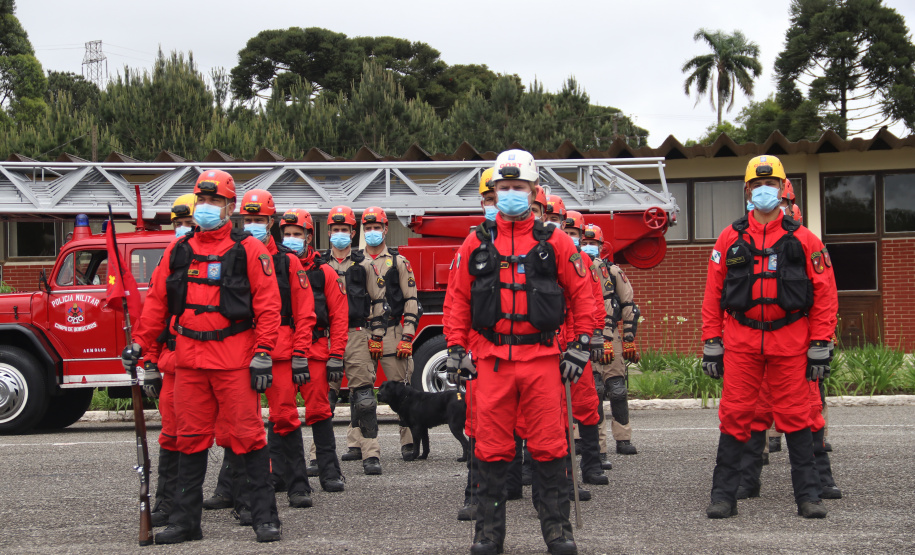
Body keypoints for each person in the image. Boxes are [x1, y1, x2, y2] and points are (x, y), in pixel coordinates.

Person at [444, 149, 594, 555]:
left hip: (544, 359)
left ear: (533, 191)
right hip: (491, 360)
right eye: (503, 188)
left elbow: (583, 296)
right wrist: (456, 347)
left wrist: (581, 344)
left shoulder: (557, 241)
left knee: (550, 445)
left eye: (518, 187)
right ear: (494, 192)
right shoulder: (476, 241)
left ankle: (558, 531)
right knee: (490, 448)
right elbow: (457, 299)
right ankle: (488, 534)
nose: (510, 194)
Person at [123, 169, 283, 543]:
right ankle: (185, 522)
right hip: (189, 362)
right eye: (202, 200)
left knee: (248, 437)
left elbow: (269, 307)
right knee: (188, 440)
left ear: (230, 206)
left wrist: (262, 352)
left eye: (215, 201)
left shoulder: (250, 249)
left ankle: (264, 517)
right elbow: (156, 306)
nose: (207, 207)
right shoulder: (178, 250)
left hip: (234, 360)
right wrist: (141, 349)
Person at [701, 154, 838, 520]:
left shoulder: (805, 240)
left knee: (797, 418)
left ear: (782, 189)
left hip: (791, 343)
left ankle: (808, 496)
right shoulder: (730, 237)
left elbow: (825, 293)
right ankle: (723, 496)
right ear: (747, 190)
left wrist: (821, 343)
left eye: (771, 184)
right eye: (757, 185)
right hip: (742, 342)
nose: (764, 191)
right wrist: (712, 342)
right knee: (734, 416)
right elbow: (714, 293)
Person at [239, 189, 316, 511]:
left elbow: (305, 311)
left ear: (270, 221)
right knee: (243, 421)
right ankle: (242, 489)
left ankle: (298, 484)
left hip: (281, 352)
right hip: (242, 349)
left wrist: (300, 352)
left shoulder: (288, 261)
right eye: (249, 220)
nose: (254, 225)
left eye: (259, 220)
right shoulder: (234, 256)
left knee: (284, 416)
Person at [280, 208, 347, 492]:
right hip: (282, 352)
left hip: (315, 351)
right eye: (287, 234)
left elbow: (340, 317)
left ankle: (329, 472)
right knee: (282, 414)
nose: (292, 239)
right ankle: (282, 474)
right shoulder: (272, 268)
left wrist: (336, 356)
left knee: (319, 411)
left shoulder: (325, 273)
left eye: (297, 234)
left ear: (309, 236)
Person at [143, 193, 199, 527]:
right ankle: (168, 502)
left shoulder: (227, 257)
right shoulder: (168, 261)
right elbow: (154, 316)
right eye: (177, 224)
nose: (181, 230)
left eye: (187, 223)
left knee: (237, 431)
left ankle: (245, 498)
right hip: (175, 361)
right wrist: (149, 362)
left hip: (218, 361)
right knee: (172, 434)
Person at [322, 205, 386, 476]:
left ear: (352, 232)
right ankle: (320, 457)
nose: (339, 234)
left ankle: (371, 455)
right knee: (323, 400)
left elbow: (379, 301)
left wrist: (376, 336)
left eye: (344, 230)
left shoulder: (365, 266)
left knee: (364, 400)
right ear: (328, 232)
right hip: (325, 337)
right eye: (335, 230)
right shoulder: (319, 266)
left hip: (357, 334)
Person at [360, 206, 422, 460]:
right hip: (364, 335)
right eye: (368, 228)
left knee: (403, 391)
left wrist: (407, 336)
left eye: (377, 227)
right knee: (360, 393)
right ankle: (358, 445)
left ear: (386, 229)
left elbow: (411, 300)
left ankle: (408, 442)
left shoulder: (399, 262)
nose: (373, 232)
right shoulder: (355, 262)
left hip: (393, 332)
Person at [558, 213, 610, 490]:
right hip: (551, 341)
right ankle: (537, 468)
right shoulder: (544, 255)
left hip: (579, 341)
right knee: (550, 409)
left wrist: (596, 336)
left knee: (587, 404)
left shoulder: (586, 263)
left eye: (571, 230)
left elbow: (594, 301)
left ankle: (591, 464)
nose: (567, 234)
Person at [582, 221, 641, 459]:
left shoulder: (613, 272)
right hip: (585, 338)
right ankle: (593, 442)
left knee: (617, 390)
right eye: (584, 243)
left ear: (601, 245)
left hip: (611, 337)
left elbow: (629, 306)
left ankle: (623, 437)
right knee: (592, 391)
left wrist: (628, 340)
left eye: (592, 243)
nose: (588, 247)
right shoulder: (574, 268)